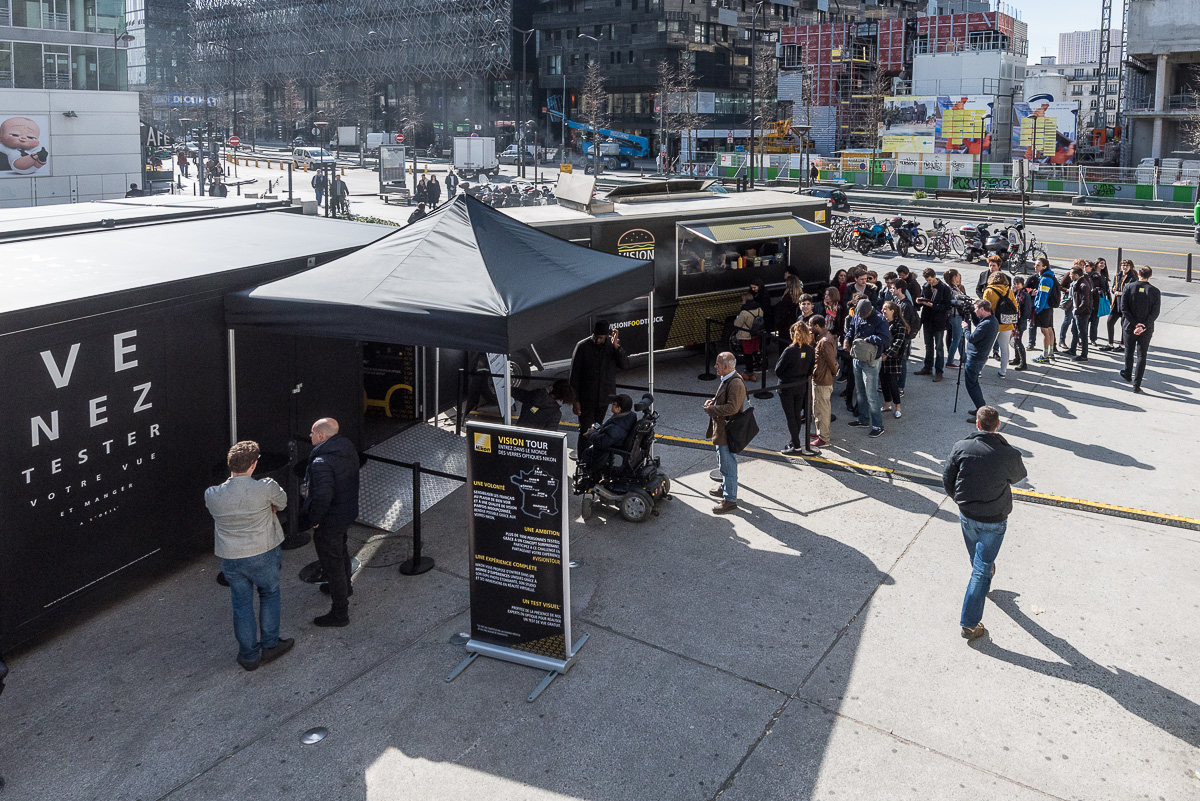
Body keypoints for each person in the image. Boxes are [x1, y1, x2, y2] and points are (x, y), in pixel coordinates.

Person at [204, 440, 294, 671]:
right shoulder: (265, 487)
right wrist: (269, 508)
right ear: (253, 465)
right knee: (269, 594)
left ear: (230, 465)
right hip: (263, 551)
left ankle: (249, 655)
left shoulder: (212, 494)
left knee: (241, 605)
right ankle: (270, 645)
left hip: (231, 557)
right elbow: (282, 503)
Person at [942, 405, 1027, 641]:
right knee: (980, 569)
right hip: (994, 520)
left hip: (967, 515)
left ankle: (985, 574)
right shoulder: (1008, 454)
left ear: (977, 425)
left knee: (978, 561)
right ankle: (969, 623)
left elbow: (947, 480)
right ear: (997, 426)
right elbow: (1018, 476)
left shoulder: (961, 447)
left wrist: (960, 500)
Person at [301, 418, 361, 628]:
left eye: (312, 432)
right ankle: (346, 587)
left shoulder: (321, 462)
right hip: (346, 512)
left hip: (331, 519)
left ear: (321, 436)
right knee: (340, 550)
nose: (309, 436)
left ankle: (339, 613)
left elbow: (322, 497)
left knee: (332, 563)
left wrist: (314, 520)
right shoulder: (347, 447)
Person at [569, 319, 629, 435]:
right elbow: (574, 376)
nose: (598, 340)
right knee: (586, 430)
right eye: (596, 337)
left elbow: (625, 365)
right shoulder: (583, 346)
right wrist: (575, 400)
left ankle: (593, 450)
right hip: (587, 399)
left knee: (597, 427)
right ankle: (584, 452)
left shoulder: (612, 346)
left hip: (604, 399)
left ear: (607, 336)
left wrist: (617, 348)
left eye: (601, 338)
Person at [704, 352, 746, 514]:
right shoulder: (728, 379)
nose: (715, 367)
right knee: (723, 460)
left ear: (726, 366)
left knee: (728, 464)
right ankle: (725, 488)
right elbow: (725, 400)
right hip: (722, 430)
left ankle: (730, 499)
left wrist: (712, 409)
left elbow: (732, 408)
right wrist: (713, 401)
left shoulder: (735, 383)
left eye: (717, 364)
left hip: (727, 431)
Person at [844, 298, 891, 437]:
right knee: (860, 392)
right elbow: (852, 328)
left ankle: (878, 425)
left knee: (871, 395)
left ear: (870, 310)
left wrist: (868, 339)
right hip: (857, 358)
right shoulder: (858, 314)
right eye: (860, 315)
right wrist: (847, 338)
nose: (862, 317)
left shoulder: (879, 319)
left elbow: (886, 339)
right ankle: (863, 419)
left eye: (864, 315)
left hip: (871, 361)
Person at [775, 321, 815, 453]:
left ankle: (796, 445)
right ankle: (794, 441)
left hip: (787, 387)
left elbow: (778, 370)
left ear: (794, 334)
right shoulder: (810, 350)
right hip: (801, 386)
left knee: (790, 417)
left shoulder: (789, 350)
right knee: (797, 415)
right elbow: (810, 370)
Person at [1120, 266, 1161, 394]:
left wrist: (1135, 324)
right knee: (1142, 356)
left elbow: (1124, 309)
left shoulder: (1128, 287)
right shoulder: (1155, 291)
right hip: (1146, 329)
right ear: (1150, 275)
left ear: (1138, 274)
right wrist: (1143, 325)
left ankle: (1127, 373)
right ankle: (1137, 384)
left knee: (1129, 351)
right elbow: (1155, 312)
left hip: (1129, 326)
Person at [962, 299, 999, 421]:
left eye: (976, 309)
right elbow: (978, 324)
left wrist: (965, 328)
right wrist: (972, 314)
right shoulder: (991, 320)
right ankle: (980, 408)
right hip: (979, 357)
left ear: (982, 309)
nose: (975, 310)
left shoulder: (986, 324)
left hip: (975, 358)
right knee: (974, 383)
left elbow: (971, 338)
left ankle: (981, 413)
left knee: (971, 385)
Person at [581, 393, 637, 471]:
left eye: (613, 404)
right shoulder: (629, 417)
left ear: (618, 409)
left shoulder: (616, 427)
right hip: (612, 444)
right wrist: (597, 428)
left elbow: (601, 442)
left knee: (587, 453)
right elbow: (607, 431)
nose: (611, 405)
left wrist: (591, 433)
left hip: (605, 455)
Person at [915, 267, 951, 381]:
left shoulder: (944, 288)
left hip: (939, 320)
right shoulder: (925, 286)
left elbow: (947, 306)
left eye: (930, 280)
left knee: (939, 347)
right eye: (927, 280)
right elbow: (923, 298)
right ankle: (927, 367)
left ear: (934, 276)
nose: (928, 282)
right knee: (928, 345)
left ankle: (939, 371)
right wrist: (920, 301)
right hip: (927, 319)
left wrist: (933, 306)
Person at [982, 271, 1020, 378]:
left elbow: (984, 308)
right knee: (1004, 348)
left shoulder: (988, 291)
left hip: (993, 323)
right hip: (1007, 323)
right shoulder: (1009, 291)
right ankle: (1003, 371)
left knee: (987, 347)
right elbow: (1015, 308)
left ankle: (979, 370)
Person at [809, 315, 838, 449]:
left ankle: (824, 439)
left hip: (823, 380)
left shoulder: (824, 341)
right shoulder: (824, 337)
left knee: (822, 409)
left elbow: (831, 361)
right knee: (818, 408)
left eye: (811, 326)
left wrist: (833, 372)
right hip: (821, 378)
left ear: (816, 326)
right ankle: (820, 433)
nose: (809, 328)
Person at [880, 301, 909, 420]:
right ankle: (887, 404)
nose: (883, 311)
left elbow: (898, 343)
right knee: (884, 382)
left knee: (893, 384)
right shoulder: (883, 323)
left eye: (885, 309)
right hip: (882, 358)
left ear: (892, 311)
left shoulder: (900, 325)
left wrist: (886, 354)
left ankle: (898, 407)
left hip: (893, 359)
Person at [1101, 259, 1137, 352]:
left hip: (1126, 305)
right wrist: (1114, 289)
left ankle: (1122, 344)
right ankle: (1110, 343)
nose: (1124, 267)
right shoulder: (1118, 275)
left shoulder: (1133, 278)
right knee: (1110, 321)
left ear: (1131, 267)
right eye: (1123, 265)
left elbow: (1132, 292)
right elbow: (1114, 287)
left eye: (1127, 265)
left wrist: (1120, 293)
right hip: (1116, 303)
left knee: (1124, 325)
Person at [1031, 258, 1059, 364]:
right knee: (1050, 329)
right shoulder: (1050, 276)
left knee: (1045, 332)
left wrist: (1038, 308)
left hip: (1044, 308)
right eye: (1035, 265)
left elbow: (1043, 296)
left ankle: (1045, 355)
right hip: (1049, 308)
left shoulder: (1044, 279)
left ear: (1044, 267)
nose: (1036, 267)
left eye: (1038, 265)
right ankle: (1051, 353)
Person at [732, 290, 765, 381]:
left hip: (746, 336)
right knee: (755, 351)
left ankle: (749, 371)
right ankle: (758, 365)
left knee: (747, 354)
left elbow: (737, 324)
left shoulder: (744, 312)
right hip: (756, 334)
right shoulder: (759, 309)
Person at [1064, 264, 1093, 362]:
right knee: (1074, 331)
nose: (1069, 276)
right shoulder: (1076, 283)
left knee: (1083, 334)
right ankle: (1072, 349)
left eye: (1071, 274)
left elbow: (1085, 302)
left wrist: (1077, 311)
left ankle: (1084, 355)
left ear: (1076, 275)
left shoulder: (1083, 285)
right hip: (1076, 312)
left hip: (1082, 314)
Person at [943, 268, 968, 369]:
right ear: (954, 277)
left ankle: (963, 357)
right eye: (958, 275)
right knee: (957, 339)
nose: (959, 277)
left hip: (957, 315)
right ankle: (950, 361)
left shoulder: (954, 288)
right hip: (956, 315)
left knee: (960, 338)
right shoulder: (951, 290)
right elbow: (955, 302)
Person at [1010, 276, 1031, 371]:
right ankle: (1017, 358)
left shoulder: (1025, 295)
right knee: (1015, 340)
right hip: (1015, 321)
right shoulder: (1016, 293)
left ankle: (1023, 362)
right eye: (1014, 284)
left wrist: (1021, 320)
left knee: (1018, 341)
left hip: (1020, 322)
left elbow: (1027, 310)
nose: (1016, 285)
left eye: (1018, 284)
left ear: (1022, 284)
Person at [1088, 257, 1110, 345]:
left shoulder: (1103, 275)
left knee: (1095, 320)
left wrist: (1108, 295)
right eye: (1101, 263)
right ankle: (1082, 338)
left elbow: (1106, 287)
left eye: (1104, 264)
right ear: (1096, 263)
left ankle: (1093, 339)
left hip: (1099, 300)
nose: (1102, 265)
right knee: (1087, 320)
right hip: (1091, 299)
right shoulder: (1091, 274)